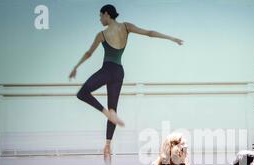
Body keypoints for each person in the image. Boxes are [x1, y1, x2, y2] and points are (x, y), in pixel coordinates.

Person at [69, 4, 184, 156]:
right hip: (119, 72)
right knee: (114, 109)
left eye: (100, 16)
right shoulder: (126, 27)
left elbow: (89, 53)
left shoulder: (102, 35)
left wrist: (76, 66)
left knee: (83, 93)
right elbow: (149, 33)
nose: (100, 19)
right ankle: (108, 145)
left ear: (107, 14)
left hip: (108, 69)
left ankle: (106, 113)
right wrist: (172, 38)